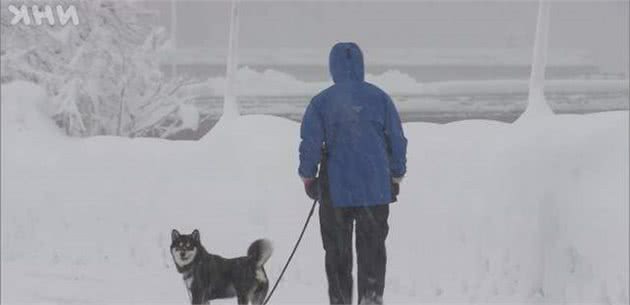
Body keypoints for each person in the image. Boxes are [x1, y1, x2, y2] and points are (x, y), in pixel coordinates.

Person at [298, 42, 408, 305]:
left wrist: (308, 176)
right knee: (372, 253)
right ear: (360, 66)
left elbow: (310, 143)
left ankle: (340, 301)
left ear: (333, 67)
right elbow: (397, 140)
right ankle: (370, 298)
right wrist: (396, 175)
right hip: (375, 190)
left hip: (336, 192)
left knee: (337, 254)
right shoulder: (380, 98)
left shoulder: (321, 102)